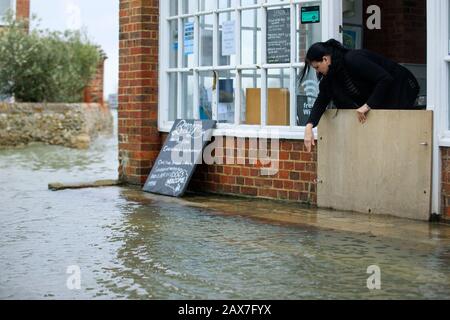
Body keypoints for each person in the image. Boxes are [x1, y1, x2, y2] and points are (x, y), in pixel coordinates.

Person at [300, 39, 420, 152]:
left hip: (402, 86)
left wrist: (367, 105)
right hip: (384, 95)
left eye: (317, 67)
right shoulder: (331, 77)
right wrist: (309, 126)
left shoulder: (353, 59)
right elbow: (322, 100)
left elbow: (385, 79)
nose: (317, 71)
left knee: (394, 134)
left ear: (325, 59)